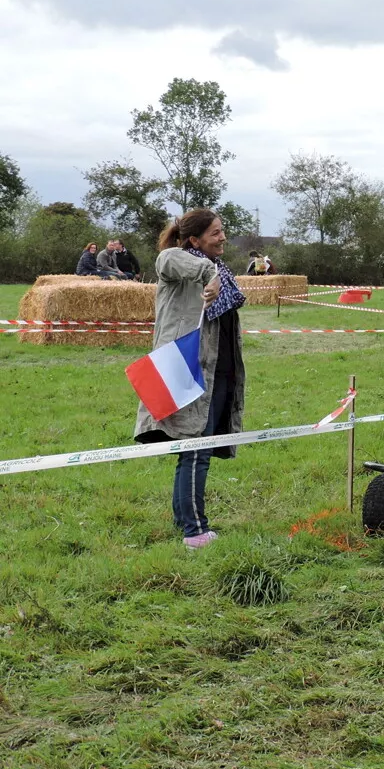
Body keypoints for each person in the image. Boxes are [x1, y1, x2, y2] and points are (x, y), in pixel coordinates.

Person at [135, 209, 246, 550]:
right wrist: (208, 273)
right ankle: (195, 532)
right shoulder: (175, 261)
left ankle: (184, 520)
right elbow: (175, 261)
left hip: (221, 372)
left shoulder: (220, 270)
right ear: (194, 240)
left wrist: (215, 275)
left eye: (222, 231)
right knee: (195, 449)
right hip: (190, 369)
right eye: (215, 233)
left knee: (201, 448)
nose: (223, 237)